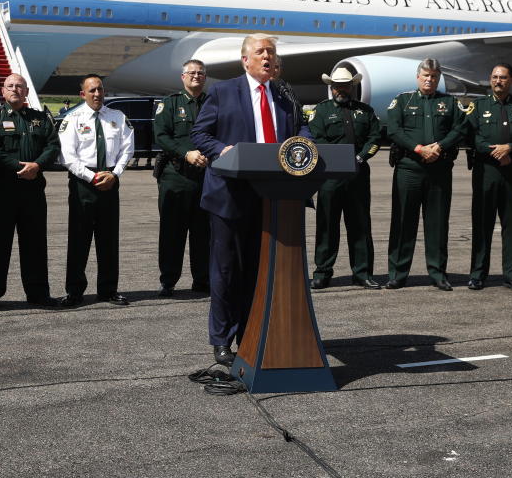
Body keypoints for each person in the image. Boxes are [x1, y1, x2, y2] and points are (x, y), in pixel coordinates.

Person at [191, 33, 311, 367]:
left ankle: (252, 335)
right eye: (261, 52)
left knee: (260, 273)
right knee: (228, 271)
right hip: (230, 195)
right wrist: (222, 151)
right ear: (245, 59)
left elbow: (300, 129)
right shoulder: (222, 91)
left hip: (274, 198)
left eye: (271, 52)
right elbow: (201, 134)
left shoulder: (285, 94)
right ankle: (222, 340)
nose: (268, 57)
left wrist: (306, 144)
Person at [0, 73, 60, 310]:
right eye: (10, 86)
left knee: (34, 242)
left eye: (20, 86)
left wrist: (37, 166)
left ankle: (38, 293)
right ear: (3, 91)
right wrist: (20, 167)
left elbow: (52, 145)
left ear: (26, 92)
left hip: (31, 189)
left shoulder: (40, 118)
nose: (15, 89)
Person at [385, 58, 467, 291]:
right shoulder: (402, 100)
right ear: (417, 77)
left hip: (439, 171)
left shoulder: (449, 103)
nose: (429, 80)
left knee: (438, 224)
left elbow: (460, 128)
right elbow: (394, 130)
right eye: (426, 75)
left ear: (438, 78)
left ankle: (438, 273)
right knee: (402, 223)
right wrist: (419, 149)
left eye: (434, 76)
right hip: (409, 170)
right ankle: (398, 274)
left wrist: (439, 147)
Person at [58, 74, 134, 307]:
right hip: (83, 184)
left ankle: (108, 289)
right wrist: (93, 177)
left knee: (108, 240)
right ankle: (74, 291)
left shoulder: (117, 117)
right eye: (91, 91)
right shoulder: (72, 119)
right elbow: (68, 157)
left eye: (100, 89)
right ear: (82, 94)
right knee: (79, 239)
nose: (97, 94)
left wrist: (115, 173)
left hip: (110, 182)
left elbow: (128, 149)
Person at [464, 63, 512, 291]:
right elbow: (471, 136)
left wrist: (511, 148)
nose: (499, 81)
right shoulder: (477, 106)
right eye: (495, 77)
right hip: (486, 172)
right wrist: (495, 152)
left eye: (503, 77)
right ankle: (478, 274)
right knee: (482, 224)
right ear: (490, 79)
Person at [309, 67, 382, 290]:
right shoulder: (320, 112)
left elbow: (375, 137)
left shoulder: (366, 111)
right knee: (327, 226)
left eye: (345, 85)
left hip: (358, 175)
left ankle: (362, 272)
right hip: (330, 177)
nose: (341, 89)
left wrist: (360, 157)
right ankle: (322, 272)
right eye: (337, 86)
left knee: (360, 226)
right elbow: (317, 138)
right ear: (331, 88)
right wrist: (338, 158)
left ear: (352, 86)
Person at [153, 59, 210, 297]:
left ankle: (203, 280)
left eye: (200, 73)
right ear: (183, 77)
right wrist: (185, 153)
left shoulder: (213, 103)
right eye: (191, 73)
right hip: (176, 176)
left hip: (206, 177)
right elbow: (161, 136)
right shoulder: (170, 104)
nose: (196, 76)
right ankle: (168, 281)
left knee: (204, 233)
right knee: (172, 233)